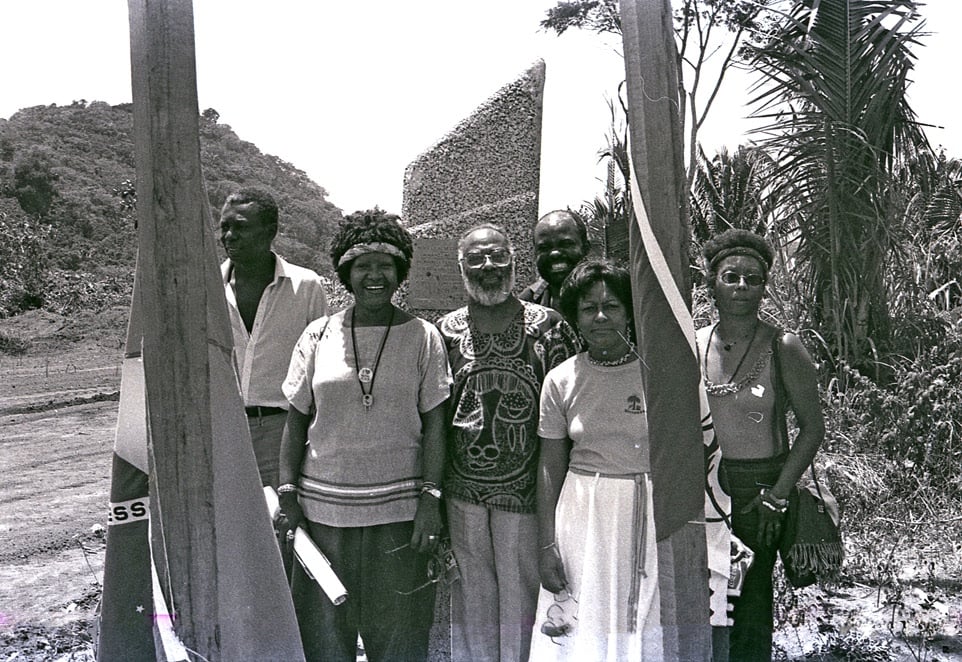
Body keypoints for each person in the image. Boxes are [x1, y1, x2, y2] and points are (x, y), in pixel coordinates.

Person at [277, 209, 452, 662]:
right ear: (345, 273)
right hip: (323, 518)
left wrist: (430, 501)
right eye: (362, 265)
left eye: (385, 265)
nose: (374, 275)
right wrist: (289, 495)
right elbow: (296, 421)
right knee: (324, 640)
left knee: (397, 638)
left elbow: (435, 425)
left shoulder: (424, 338)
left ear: (400, 273)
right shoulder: (317, 336)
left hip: (396, 519)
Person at [437, 224, 579, 662]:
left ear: (513, 262)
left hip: (527, 495)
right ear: (461, 267)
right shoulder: (445, 331)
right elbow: (437, 416)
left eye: (498, 257)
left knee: (524, 603)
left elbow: (571, 407)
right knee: (471, 604)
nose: (488, 267)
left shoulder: (548, 326)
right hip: (463, 494)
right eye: (476, 259)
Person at [697, 229, 825, 662]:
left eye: (752, 279)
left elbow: (812, 430)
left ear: (764, 286)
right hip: (702, 489)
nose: (741, 287)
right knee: (700, 601)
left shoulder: (782, 346)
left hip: (759, 494)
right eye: (730, 276)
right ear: (710, 281)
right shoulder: (692, 343)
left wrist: (778, 495)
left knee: (749, 603)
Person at [529, 259, 662, 660]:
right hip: (581, 517)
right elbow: (550, 465)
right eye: (588, 308)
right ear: (575, 317)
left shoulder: (658, 374)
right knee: (577, 626)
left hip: (646, 515)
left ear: (630, 313)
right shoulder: (561, 378)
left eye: (612, 306)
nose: (601, 317)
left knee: (639, 622)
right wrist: (547, 543)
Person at [219, 187, 329, 489]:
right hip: (221, 430)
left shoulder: (306, 287)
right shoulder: (208, 288)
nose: (230, 235)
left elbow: (319, 367)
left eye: (240, 227)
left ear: (271, 231)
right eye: (225, 227)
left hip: (283, 432)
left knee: (281, 524)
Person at [519, 210, 590, 312]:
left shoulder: (612, 293)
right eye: (544, 247)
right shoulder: (527, 303)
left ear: (586, 248)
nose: (554, 253)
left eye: (565, 244)